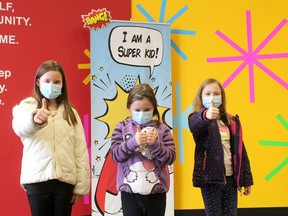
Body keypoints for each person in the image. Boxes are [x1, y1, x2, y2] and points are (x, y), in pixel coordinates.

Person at [12, 60, 90, 216]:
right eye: (47, 81)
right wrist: (34, 119)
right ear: (38, 82)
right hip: (37, 182)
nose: (52, 85)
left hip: (64, 184)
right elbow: (19, 127)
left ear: (62, 84)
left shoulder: (70, 112)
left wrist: (81, 186)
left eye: (56, 82)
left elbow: (80, 150)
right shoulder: (28, 107)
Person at [188, 78, 253, 216]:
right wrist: (206, 116)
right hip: (210, 179)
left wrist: (245, 179)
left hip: (230, 178)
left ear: (222, 96)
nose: (212, 97)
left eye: (216, 93)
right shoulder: (196, 118)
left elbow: (241, 151)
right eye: (208, 94)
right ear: (201, 97)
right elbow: (195, 126)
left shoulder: (232, 121)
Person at [110, 83, 176, 216]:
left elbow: (171, 158)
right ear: (129, 107)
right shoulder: (122, 127)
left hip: (156, 193)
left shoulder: (162, 129)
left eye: (147, 109)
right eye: (137, 110)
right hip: (130, 194)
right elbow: (115, 155)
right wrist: (133, 142)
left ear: (154, 108)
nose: (142, 114)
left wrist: (155, 145)